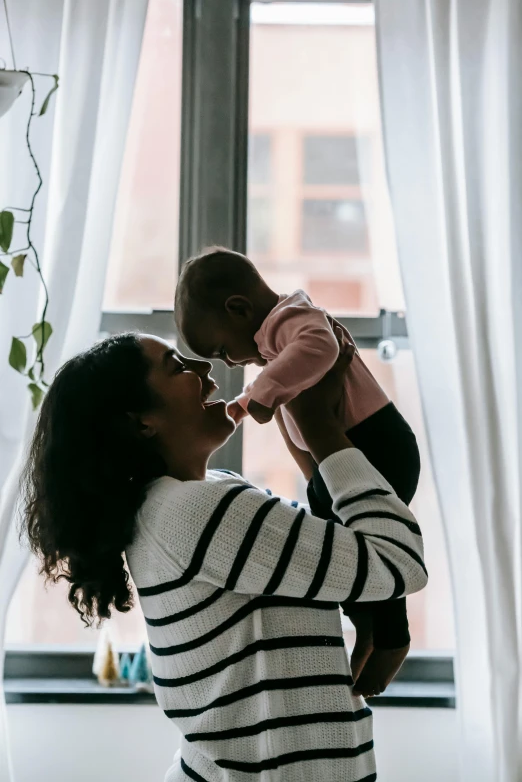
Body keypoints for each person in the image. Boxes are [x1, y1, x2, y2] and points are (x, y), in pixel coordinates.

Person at [21, 332, 427, 782]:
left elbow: (330, 555)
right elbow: (397, 562)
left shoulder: (206, 494)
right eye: (178, 367)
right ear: (141, 423)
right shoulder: (195, 512)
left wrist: (299, 424)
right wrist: (320, 429)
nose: (206, 371)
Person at [175, 246, 421, 692]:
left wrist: (260, 395)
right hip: (339, 459)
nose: (229, 362)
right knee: (340, 544)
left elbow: (321, 346)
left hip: (377, 445)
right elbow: (296, 405)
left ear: (239, 308)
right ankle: (367, 623)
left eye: (222, 350)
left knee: (368, 545)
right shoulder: (274, 345)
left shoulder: (293, 318)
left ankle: (392, 636)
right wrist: (257, 408)